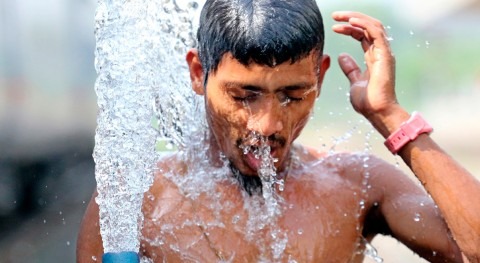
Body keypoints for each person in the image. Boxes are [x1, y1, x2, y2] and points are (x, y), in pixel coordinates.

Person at [77, 0, 480, 262]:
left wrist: (389, 115)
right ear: (199, 73)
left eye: (293, 95)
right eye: (244, 95)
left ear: (319, 79)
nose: (268, 124)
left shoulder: (357, 185)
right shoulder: (135, 201)